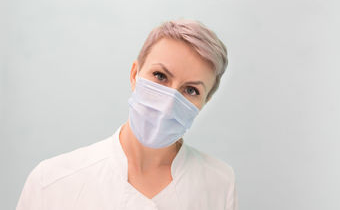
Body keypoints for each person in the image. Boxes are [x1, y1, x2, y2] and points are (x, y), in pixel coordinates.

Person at [16, 19, 238, 210]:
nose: (169, 103)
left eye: (191, 90)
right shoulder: (53, 181)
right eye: (160, 76)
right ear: (135, 74)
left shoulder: (218, 183)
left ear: (204, 102)